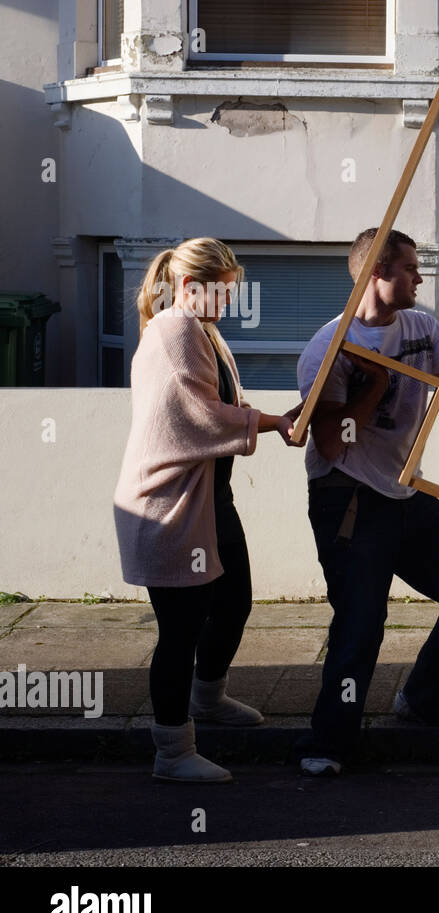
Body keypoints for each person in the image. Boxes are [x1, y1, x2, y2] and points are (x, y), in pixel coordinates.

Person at [294, 227, 439, 776]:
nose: (420, 278)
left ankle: (424, 698)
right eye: (410, 269)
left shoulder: (422, 328)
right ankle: (328, 743)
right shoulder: (327, 350)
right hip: (349, 498)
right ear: (376, 274)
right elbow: (333, 444)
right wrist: (375, 386)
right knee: (361, 621)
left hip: (405, 488)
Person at [113, 238, 304, 783]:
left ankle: (207, 699)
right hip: (170, 505)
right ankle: (171, 752)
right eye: (223, 289)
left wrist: (269, 419)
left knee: (234, 600)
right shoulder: (175, 331)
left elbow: (219, 407)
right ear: (191, 286)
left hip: (209, 501)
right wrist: (271, 423)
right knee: (180, 629)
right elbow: (198, 417)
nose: (229, 300)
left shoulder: (201, 330)